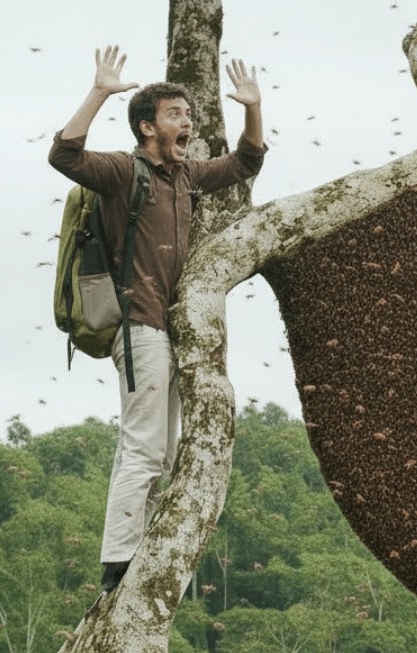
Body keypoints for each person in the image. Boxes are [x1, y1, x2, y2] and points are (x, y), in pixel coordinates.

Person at [49, 45, 267, 591]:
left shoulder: (186, 176)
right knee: (143, 447)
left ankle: (134, 550)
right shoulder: (125, 172)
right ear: (148, 128)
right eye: (175, 115)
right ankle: (118, 564)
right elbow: (65, 156)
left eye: (188, 114)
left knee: (163, 451)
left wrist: (253, 108)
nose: (187, 121)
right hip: (137, 324)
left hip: (168, 331)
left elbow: (246, 163)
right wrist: (100, 91)